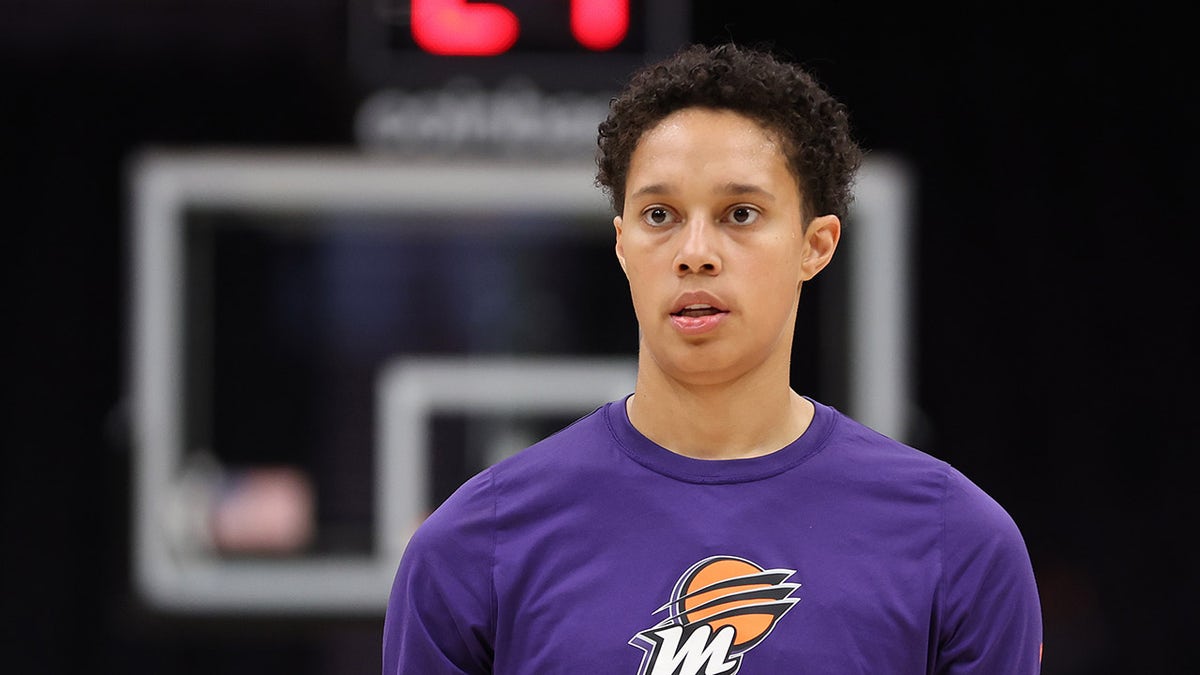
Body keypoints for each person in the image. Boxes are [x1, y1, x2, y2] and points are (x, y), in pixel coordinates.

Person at [383, 42, 1043, 674]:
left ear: (817, 244)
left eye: (741, 213)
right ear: (621, 244)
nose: (694, 250)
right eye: (661, 214)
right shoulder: (474, 544)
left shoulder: (957, 542)